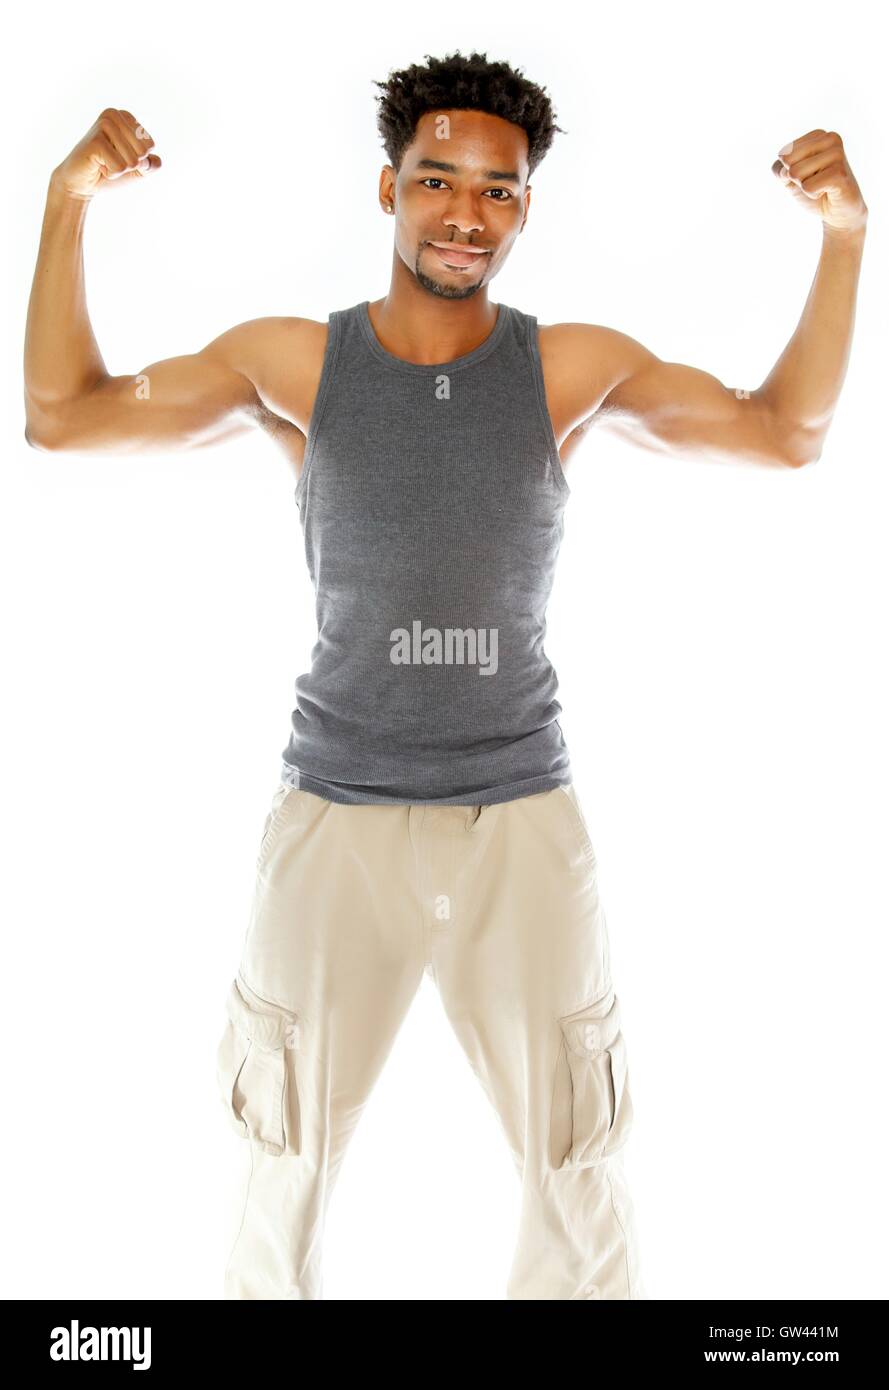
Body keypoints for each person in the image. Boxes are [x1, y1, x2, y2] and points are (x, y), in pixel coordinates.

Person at [23, 51, 867, 1301]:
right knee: (283, 1161)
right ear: (388, 188)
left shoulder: (566, 369)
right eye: (437, 180)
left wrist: (846, 234)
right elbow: (64, 413)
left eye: (498, 191)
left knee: (572, 1164)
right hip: (333, 809)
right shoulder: (297, 364)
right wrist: (65, 200)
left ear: (524, 208)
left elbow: (785, 433)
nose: (466, 213)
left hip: (519, 815)